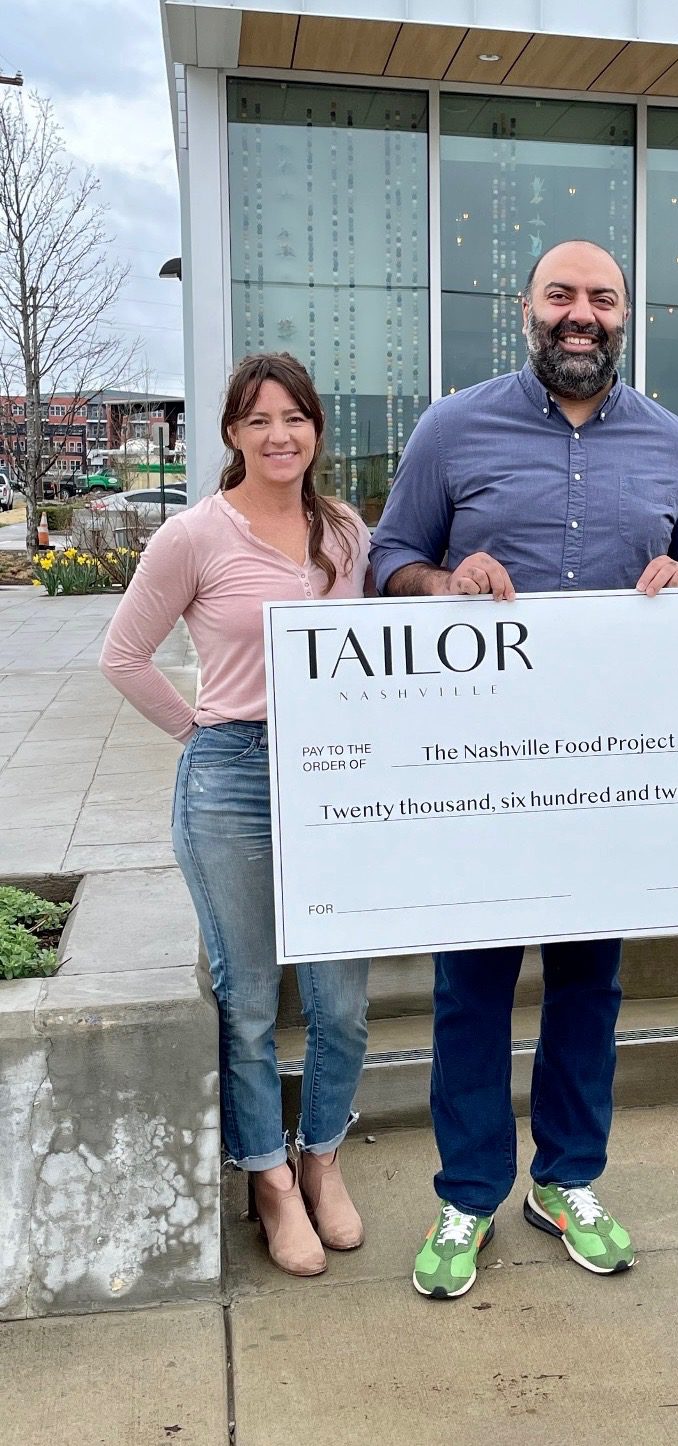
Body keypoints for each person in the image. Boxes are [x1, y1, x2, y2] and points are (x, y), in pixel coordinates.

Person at [370, 238, 678, 1299]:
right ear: (526, 308)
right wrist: (446, 581)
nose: (583, 314)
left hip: (612, 776)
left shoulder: (677, 445)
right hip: (479, 773)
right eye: (562, 295)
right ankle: (469, 1193)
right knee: (470, 990)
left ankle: (567, 1179)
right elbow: (387, 561)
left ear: (625, 316)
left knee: (588, 988)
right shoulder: (452, 428)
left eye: (603, 299)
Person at [100, 353, 372, 1278]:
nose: (279, 435)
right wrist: (202, 735)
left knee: (342, 1001)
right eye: (259, 419)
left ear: (317, 429)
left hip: (335, 781)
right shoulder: (193, 536)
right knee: (250, 999)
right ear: (231, 433)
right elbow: (124, 655)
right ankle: (269, 1179)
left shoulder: (346, 532)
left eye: (295, 417)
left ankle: (321, 1157)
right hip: (233, 781)